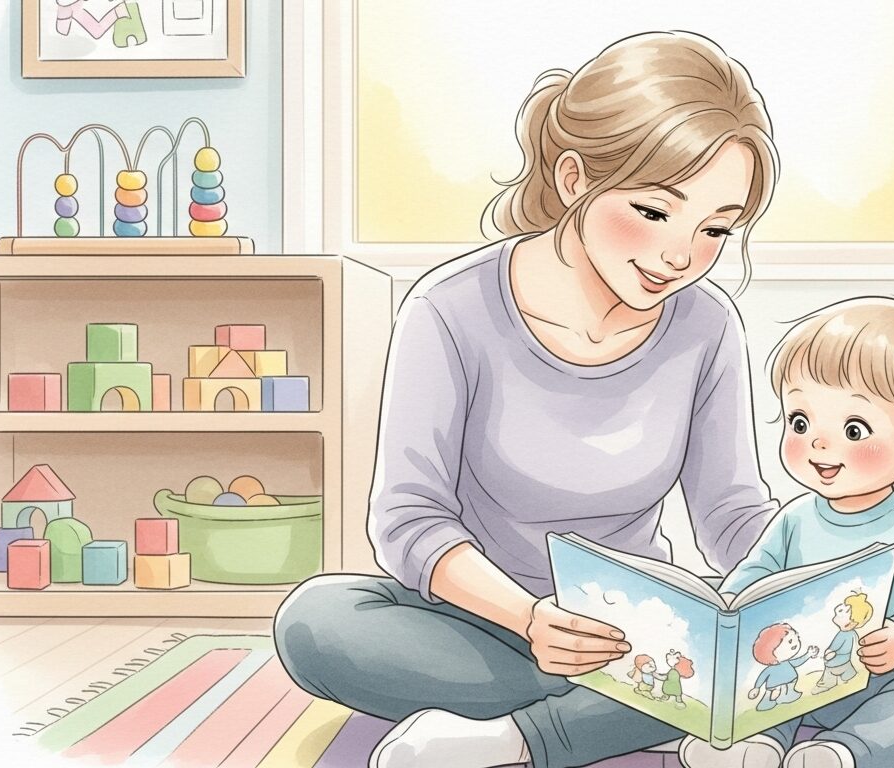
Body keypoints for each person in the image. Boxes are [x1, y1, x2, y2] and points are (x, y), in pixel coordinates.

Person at [272, 31, 782, 768]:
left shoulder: (707, 327)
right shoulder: (450, 309)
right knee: (315, 621)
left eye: (715, 229)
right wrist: (530, 617)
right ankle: (656, 713)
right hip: (481, 618)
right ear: (574, 178)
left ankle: (516, 735)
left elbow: (731, 514)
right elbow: (410, 520)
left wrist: (808, 584)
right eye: (653, 211)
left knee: (790, 657)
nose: (681, 254)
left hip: (639, 627)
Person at [680, 297, 894, 768]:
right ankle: (756, 746)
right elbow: (758, 570)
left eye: (854, 429)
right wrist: (727, 607)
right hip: (802, 670)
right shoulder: (795, 518)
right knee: (759, 685)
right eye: (800, 421)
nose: (817, 442)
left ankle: (842, 752)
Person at [747, 624, 818, 711]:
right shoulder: (770, 669)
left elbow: (798, 661)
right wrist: (756, 688)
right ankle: (771, 699)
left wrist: (808, 654)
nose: (795, 644)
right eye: (790, 641)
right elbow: (763, 676)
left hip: (790, 683)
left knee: (788, 695)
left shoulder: (788, 662)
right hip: (775, 686)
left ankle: (782, 697)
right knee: (771, 698)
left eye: (797, 638)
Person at [812, 592, 872, 694]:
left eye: (842, 611)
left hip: (835, 664)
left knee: (830, 678)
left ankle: (827, 684)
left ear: (851, 622)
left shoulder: (844, 634)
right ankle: (847, 678)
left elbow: (836, 649)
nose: (838, 612)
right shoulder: (849, 633)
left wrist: (829, 653)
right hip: (844, 662)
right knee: (850, 675)